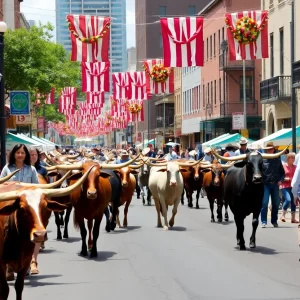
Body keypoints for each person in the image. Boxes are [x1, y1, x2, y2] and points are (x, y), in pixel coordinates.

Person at [0, 144, 39, 281]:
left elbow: (36, 187)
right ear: (14, 154)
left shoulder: (32, 169)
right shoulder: (7, 168)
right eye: (18, 153)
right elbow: (1, 187)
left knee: (30, 233)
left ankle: (27, 262)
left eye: (23, 153)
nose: (20, 155)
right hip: (11, 204)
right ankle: (9, 265)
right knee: (7, 234)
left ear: (26, 155)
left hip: (26, 208)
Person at [29, 147, 49, 274]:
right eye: (31, 154)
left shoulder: (42, 170)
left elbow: (45, 188)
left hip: (35, 202)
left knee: (38, 230)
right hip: (20, 201)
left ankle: (33, 261)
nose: (33, 157)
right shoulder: (11, 168)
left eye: (35, 154)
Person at [260, 142, 285, 228]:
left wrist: (281, 180)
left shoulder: (277, 159)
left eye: (272, 149)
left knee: (276, 203)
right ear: (266, 150)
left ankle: (274, 221)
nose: (271, 150)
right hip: (265, 184)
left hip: (275, 184)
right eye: (269, 149)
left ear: (274, 149)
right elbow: (258, 172)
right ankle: (263, 221)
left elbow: (282, 173)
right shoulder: (262, 159)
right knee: (264, 203)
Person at [279, 152, 298, 223]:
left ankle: (293, 218)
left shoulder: (295, 167)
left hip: (293, 186)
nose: (293, 159)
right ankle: (283, 215)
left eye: (294, 158)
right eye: (292, 158)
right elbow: (280, 176)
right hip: (284, 186)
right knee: (288, 199)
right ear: (288, 158)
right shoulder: (283, 166)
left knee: (294, 202)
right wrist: (285, 179)